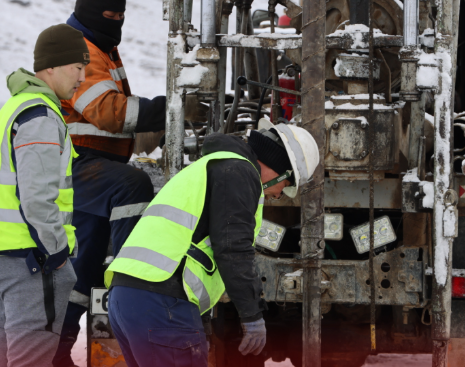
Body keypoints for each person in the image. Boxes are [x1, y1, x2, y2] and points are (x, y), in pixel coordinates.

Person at [104, 120, 321, 367]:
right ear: (280, 167)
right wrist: (252, 316)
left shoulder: (212, 167)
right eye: (288, 185)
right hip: (163, 303)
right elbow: (233, 247)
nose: (280, 194)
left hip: (129, 298)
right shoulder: (239, 172)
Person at [53, 0, 168, 367]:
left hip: (95, 165)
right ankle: (129, 280)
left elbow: (115, 115)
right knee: (133, 186)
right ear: (90, 12)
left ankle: (56, 349)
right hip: (79, 166)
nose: (116, 21)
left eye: (121, 15)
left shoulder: (102, 47)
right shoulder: (79, 50)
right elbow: (107, 111)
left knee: (83, 268)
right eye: (109, 15)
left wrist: (156, 129)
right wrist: (168, 110)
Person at [0, 24, 89, 367]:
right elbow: (37, 198)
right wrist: (57, 254)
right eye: (77, 68)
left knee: (5, 359)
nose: (83, 77)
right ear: (51, 67)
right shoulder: (39, 115)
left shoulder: (15, 107)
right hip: (30, 264)